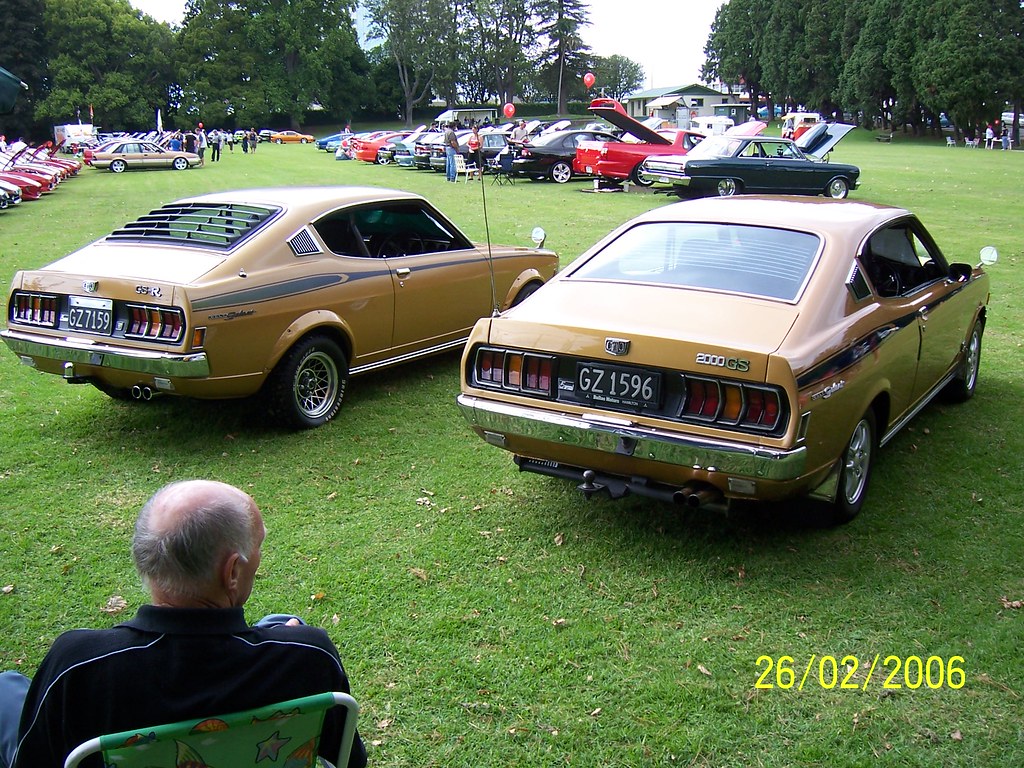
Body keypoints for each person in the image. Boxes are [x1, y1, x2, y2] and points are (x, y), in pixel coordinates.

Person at [1, 480, 366, 768]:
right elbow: (349, 758)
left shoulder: (78, 666)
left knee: (7, 688)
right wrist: (291, 645)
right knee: (281, 627)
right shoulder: (308, 657)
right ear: (233, 572)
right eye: (259, 546)